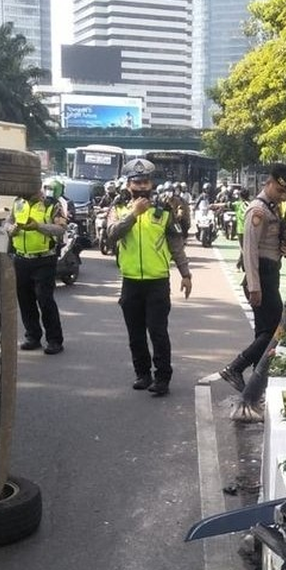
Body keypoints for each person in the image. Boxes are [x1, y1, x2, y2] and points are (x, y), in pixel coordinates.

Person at [107, 158, 192, 396]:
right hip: (131, 281)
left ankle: (162, 377)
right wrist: (133, 214)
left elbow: (176, 244)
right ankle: (142, 374)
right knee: (135, 334)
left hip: (157, 282)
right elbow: (111, 235)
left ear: (151, 183)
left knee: (157, 331)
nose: (141, 187)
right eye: (137, 182)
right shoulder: (119, 208)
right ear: (128, 184)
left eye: (145, 182)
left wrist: (186, 274)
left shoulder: (164, 211)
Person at [219, 163, 286, 392]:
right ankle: (235, 367)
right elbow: (250, 251)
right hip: (261, 276)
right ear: (268, 183)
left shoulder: (273, 209)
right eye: (279, 191)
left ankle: (256, 383)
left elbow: (276, 247)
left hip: (271, 273)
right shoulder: (258, 211)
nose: (282, 196)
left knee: (264, 332)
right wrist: (254, 287)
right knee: (276, 331)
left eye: (285, 193)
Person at [5, 184, 66, 354]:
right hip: (21, 258)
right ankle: (33, 336)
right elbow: (7, 223)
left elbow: (61, 229)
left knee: (44, 299)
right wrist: (12, 229)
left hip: (44, 259)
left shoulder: (51, 205)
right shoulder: (18, 202)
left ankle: (54, 340)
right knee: (25, 300)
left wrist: (38, 226)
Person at [232, 188, 250, 269]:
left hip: (241, 230)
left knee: (244, 249)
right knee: (246, 249)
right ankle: (242, 265)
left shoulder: (238, 204)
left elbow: (226, 204)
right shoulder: (251, 204)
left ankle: (239, 265)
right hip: (250, 230)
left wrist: (214, 205)